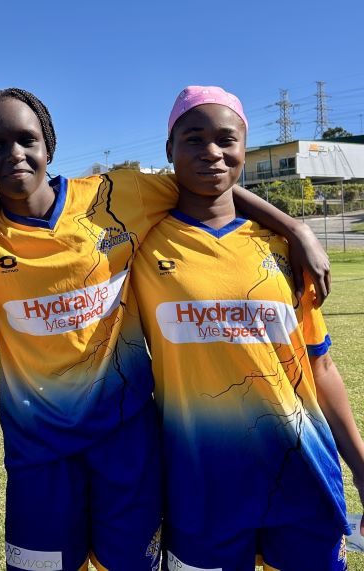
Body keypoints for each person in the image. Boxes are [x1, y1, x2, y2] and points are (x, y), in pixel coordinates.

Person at [0, 88, 331, 570]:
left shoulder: (122, 195)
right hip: (38, 454)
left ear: (49, 143)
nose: (14, 154)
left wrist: (293, 225)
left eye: (26, 140)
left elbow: (210, 184)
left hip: (129, 444)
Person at [130, 85, 364, 571]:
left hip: (302, 477)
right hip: (200, 484)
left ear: (243, 149)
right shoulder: (140, 246)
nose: (212, 152)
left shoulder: (282, 249)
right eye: (193, 139)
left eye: (226, 140)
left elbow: (321, 367)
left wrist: (362, 468)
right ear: (169, 151)